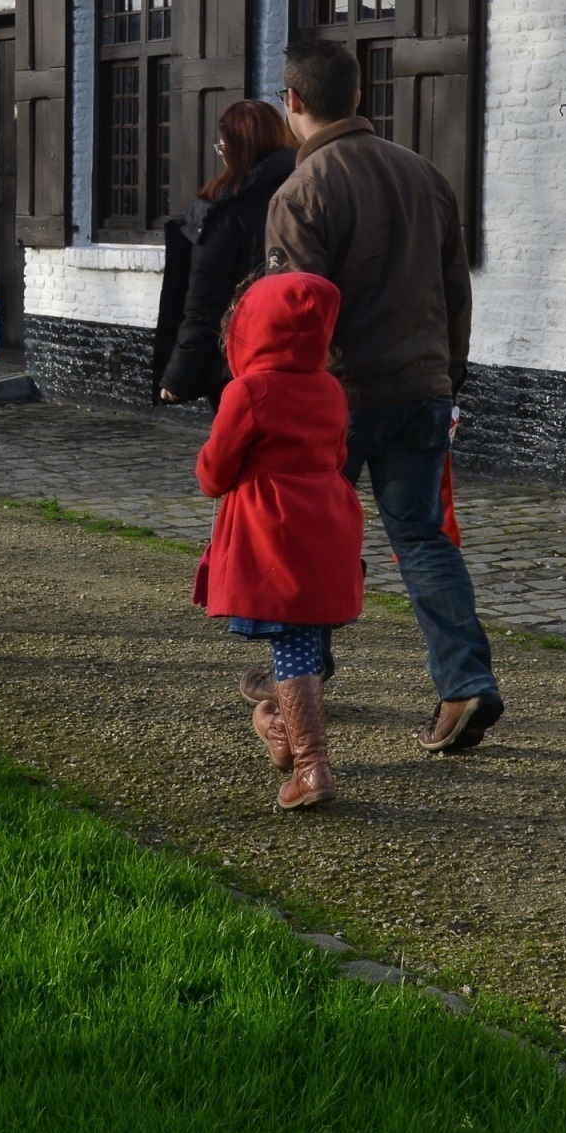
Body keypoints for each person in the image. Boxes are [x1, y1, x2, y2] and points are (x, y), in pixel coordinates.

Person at [265, 39, 503, 754]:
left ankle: (306, 669)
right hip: (424, 384)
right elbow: (454, 288)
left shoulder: (300, 193)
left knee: (309, 539)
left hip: (337, 398)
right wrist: (447, 373)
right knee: (422, 537)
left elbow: (291, 320)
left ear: (294, 103)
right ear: (359, 94)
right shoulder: (424, 174)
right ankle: (465, 682)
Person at [193, 269, 364, 809]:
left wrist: (215, 474)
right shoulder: (332, 389)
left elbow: (215, 471)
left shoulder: (248, 390)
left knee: (289, 641)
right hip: (329, 520)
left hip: (272, 528)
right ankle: (281, 731)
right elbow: (337, 456)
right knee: (306, 638)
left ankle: (313, 766)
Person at [156, 99, 299, 405]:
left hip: (238, 363)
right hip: (299, 356)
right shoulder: (304, 189)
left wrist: (177, 378)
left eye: (223, 148)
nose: (222, 158)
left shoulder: (225, 210)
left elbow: (204, 304)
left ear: (239, 150)